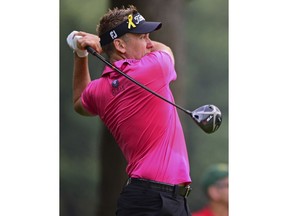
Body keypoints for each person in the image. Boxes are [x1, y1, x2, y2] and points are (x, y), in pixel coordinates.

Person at [67, 5, 192, 216]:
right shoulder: (153, 69)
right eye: (143, 37)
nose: (150, 43)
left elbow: (79, 101)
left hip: (152, 198)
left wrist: (81, 54)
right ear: (120, 45)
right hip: (155, 200)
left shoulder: (100, 89)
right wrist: (99, 43)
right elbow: (166, 51)